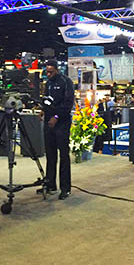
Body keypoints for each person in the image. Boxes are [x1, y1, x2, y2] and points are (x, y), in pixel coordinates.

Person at [38, 60, 75, 199]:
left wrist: (56, 116)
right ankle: (50, 184)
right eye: (47, 72)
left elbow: (68, 103)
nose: (48, 74)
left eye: (51, 72)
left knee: (63, 155)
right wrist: (42, 110)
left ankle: (65, 188)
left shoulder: (66, 82)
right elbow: (47, 100)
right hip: (49, 123)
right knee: (50, 154)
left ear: (57, 70)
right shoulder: (48, 83)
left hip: (62, 123)